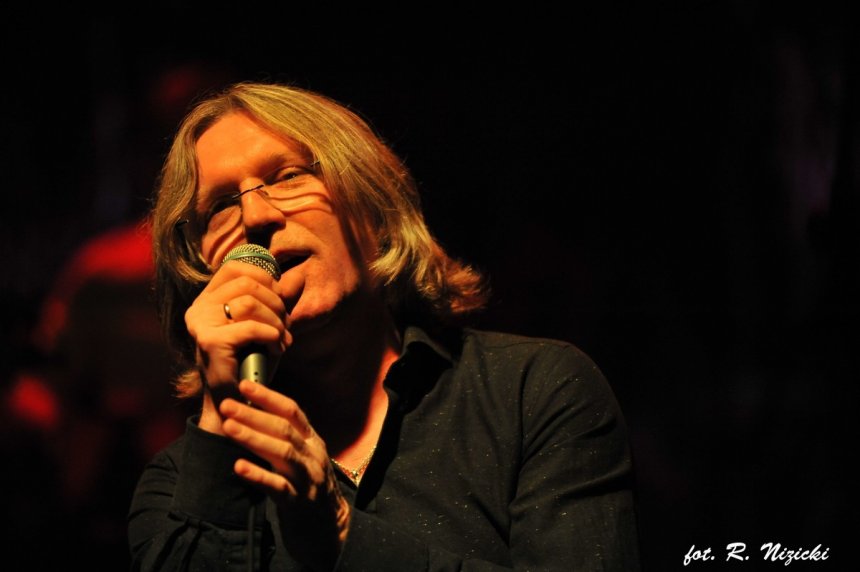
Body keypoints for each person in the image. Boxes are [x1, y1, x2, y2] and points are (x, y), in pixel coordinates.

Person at [128, 81, 641, 571]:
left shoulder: (532, 392)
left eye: (288, 177)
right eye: (221, 206)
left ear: (372, 208)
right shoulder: (173, 488)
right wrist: (222, 414)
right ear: (200, 268)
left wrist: (341, 534)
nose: (256, 215)